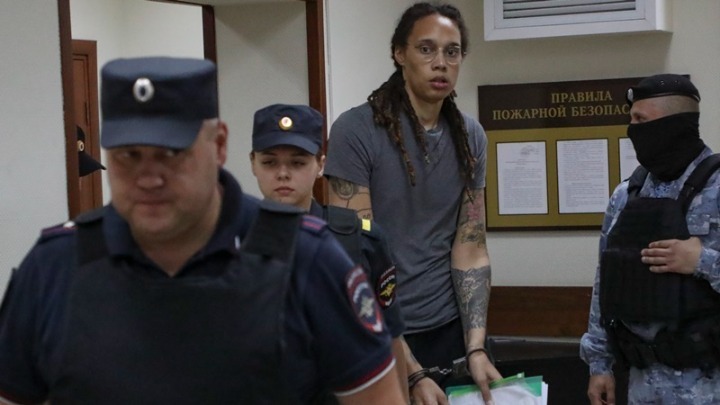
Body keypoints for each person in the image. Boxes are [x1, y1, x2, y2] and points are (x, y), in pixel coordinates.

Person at [0, 56, 405, 404]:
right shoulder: (54, 267)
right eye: (128, 155)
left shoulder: (308, 261)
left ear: (219, 145)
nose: (149, 178)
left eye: (171, 153)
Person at [324, 2, 501, 404]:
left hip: (448, 327)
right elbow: (356, 260)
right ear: (399, 54)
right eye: (426, 49)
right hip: (379, 332)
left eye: (452, 52)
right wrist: (412, 370)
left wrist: (475, 347)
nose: (440, 63)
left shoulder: (470, 136)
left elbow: (471, 247)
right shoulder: (356, 131)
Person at [248, 103, 409, 402]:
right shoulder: (236, 244)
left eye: (298, 163)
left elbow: (390, 338)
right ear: (253, 163)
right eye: (269, 162)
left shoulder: (361, 240)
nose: (283, 174)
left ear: (321, 164)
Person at [580, 74, 720, 405]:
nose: (632, 130)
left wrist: (701, 261)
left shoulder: (716, 187)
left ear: (675, 124)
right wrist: (600, 364)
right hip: (644, 384)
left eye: (641, 120)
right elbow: (605, 281)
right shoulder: (626, 195)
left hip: (709, 383)